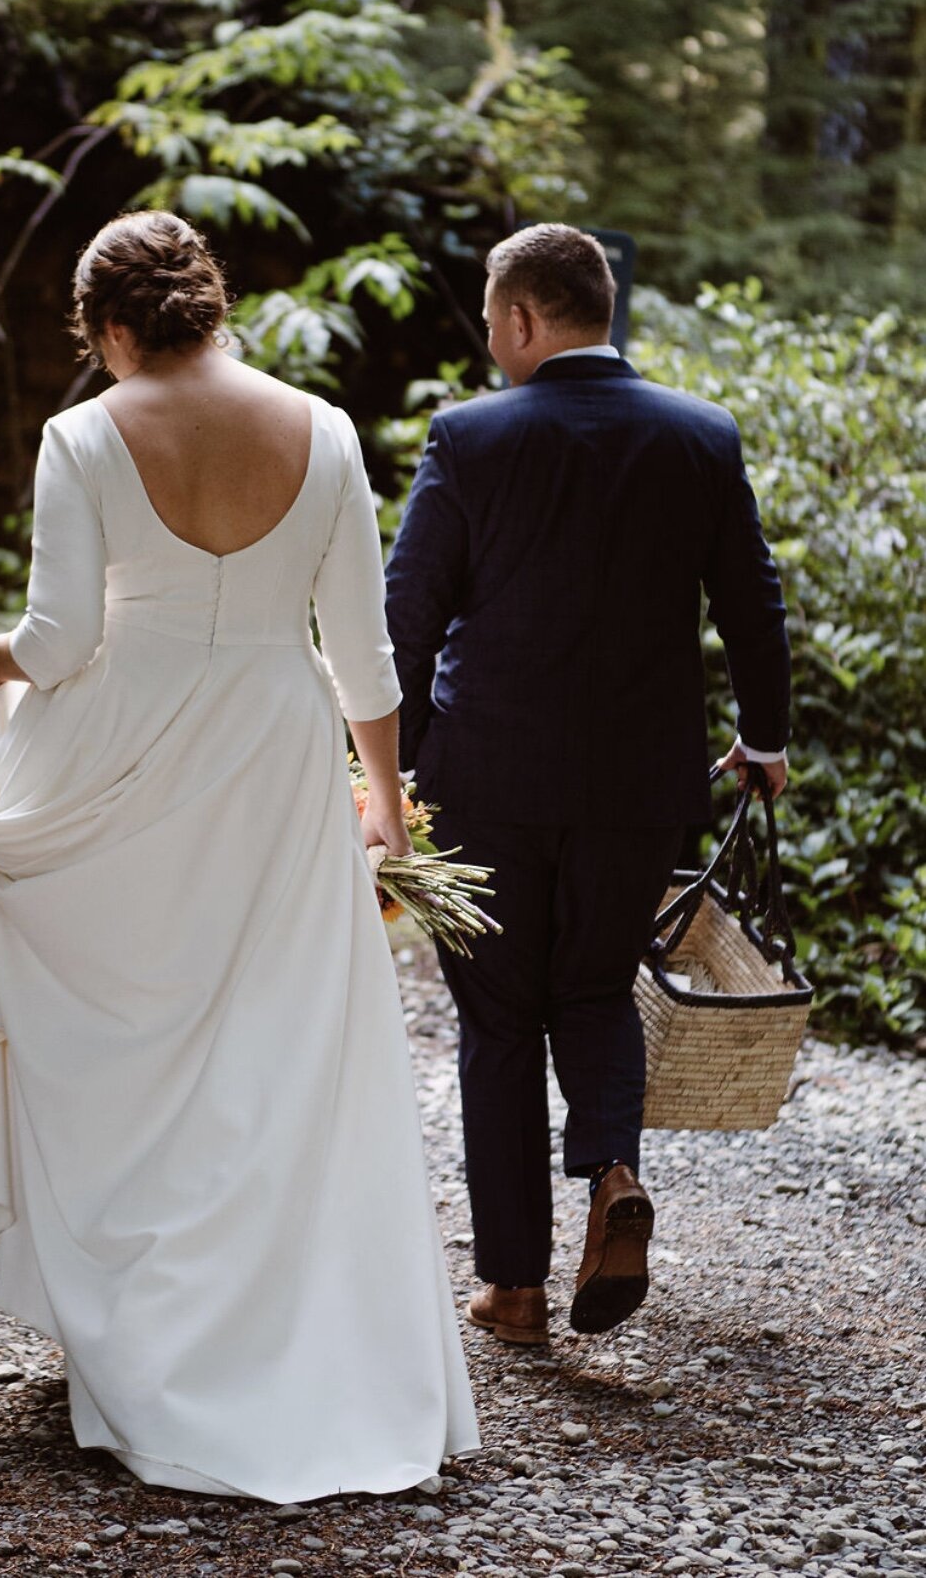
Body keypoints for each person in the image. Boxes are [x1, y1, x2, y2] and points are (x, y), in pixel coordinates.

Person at [0, 210, 478, 1501]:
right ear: (212, 303)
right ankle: (311, 1348)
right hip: (277, 759)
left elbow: (63, 639)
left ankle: (152, 1341)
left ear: (114, 328)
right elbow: (363, 654)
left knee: (129, 1057)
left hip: (130, 757)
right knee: (281, 1055)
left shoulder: (86, 435)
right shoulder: (329, 432)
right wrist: (390, 817)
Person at [384, 223, 790, 1345]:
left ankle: (513, 1289)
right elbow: (753, 607)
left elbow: (404, 621)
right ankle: (612, 1175)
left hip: (487, 779)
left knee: (501, 1020)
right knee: (599, 987)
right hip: (638, 781)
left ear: (521, 318)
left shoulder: (469, 437)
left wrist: (397, 775)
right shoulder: (700, 436)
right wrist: (763, 738)